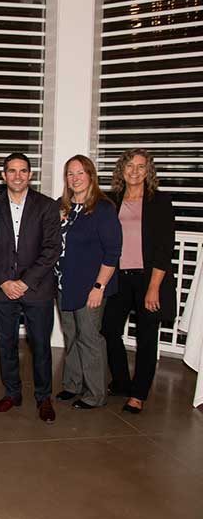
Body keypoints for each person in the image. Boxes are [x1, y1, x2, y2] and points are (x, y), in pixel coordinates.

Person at [0, 153, 61, 423]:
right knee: (5, 344)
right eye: (12, 171)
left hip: (37, 288)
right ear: (3, 175)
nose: (17, 176)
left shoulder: (47, 206)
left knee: (40, 345)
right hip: (2, 288)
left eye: (22, 171)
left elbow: (52, 249)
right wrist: (4, 281)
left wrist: (25, 281)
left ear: (30, 175)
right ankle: (12, 393)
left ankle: (44, 398)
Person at [102, 149, 176, 414]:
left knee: (146, 337)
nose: (134, 171)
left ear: (149, 171)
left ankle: (138, 393)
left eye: (141, 167)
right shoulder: (112, 199)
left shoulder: (160, 201)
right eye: (129, 166)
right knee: (109, 329)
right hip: (119, 277)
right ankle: (122, 382)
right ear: (121, 169)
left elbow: (165, 249)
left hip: (149, 279)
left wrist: (154, 287)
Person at [55, 154, 122, 410]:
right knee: (71, 335)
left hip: (91, 286)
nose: (75, 178)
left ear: (91, 176)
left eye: (80, 173)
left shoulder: (103, 209)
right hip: (64, 284)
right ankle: (72, 385)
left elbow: (113, 252)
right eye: (71, 174)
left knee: (90, 338)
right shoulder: (61, 207)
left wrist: (99, 287)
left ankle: (95, 394)